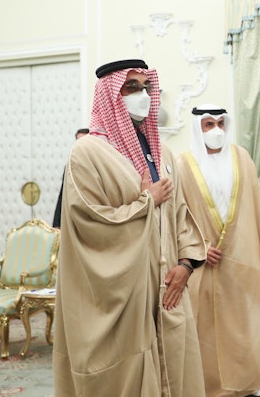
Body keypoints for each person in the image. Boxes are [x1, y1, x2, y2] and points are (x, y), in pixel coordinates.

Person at [53, 59, 207, 397]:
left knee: (176, 371)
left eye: (146, 87)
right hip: (123, 295)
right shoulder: (87, 153)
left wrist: (185, 265)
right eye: (131, 87)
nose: (142, 95)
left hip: (168, 289)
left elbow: (180, 215)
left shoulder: (161, 151)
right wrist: (146, 201)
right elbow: (88, 223)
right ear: (110, 95)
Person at [176, 104, 260, 397]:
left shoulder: (241, 156)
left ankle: (255, 380)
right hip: (206, 259)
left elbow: (257, 195)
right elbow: (179, 214)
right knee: (209, 325)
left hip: (244, 249)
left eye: (221, 124)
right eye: (208, 124)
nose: (216, 131)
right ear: (198, 129)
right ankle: (212, 386)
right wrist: (198, 248)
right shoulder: (183, 164)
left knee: (249, 317)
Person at [52, 127, 89, 228]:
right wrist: (57, 223)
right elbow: (63, 195)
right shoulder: (70, 166)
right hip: (73, 217)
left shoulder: (98, 166)